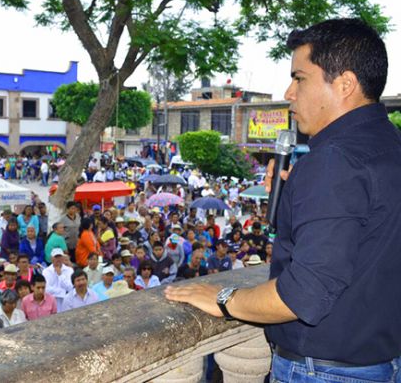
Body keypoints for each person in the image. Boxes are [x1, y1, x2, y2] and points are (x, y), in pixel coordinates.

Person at [166, 19, 401, 381]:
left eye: (300, 78)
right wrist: (302, 194)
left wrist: (223, 299)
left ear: (345, 84)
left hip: (323, 371)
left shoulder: (333, 160)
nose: (289, 92)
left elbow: (302, 295)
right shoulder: (389, 145)